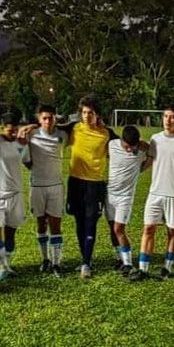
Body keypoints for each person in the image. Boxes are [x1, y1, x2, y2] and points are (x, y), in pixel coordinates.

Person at [132, 105, 174, 280]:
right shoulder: (155, 139)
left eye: (172, 116)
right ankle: (143, 269)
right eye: (166, 116)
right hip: (155, 192)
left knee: (172, 232)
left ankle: (167, 267)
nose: (168, 120)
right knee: (148, 228)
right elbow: (150, 160)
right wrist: (134, 170)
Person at [61, 95, 117, 279]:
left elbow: (126, 143)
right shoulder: (74, 128)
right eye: (84, 112)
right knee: (78, 220)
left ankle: (86, 263)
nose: (86, 116)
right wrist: (31, 126)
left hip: (95, 184)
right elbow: (52, 128)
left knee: (90, 221)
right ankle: (85, 259)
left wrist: (141, 145)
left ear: (97, 114)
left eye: (90, 113)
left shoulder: (107, 134)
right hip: (75, 182)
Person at [0, 112, 29, 282]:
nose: (13, 134)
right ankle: (2, 267)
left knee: (10, 234)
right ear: (2, 129)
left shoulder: (22, 144)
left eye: (15, 130)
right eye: (10, 131)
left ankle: (6, 266)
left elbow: (29, 164)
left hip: (15, 195)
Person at [25, 104, 68, 274]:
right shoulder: (31, 134)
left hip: (56, 186)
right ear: (38, 119)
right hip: (37, 186)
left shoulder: (62, 135)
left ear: (55, 118)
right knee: (41, 224)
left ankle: (57, 263)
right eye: (44, 118)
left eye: (51, 117)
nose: (48, 121)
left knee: (55, 225)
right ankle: (45, 259)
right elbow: (23, 156)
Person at [105, 125, 153, 275]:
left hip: (125, 197)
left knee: (119, 229)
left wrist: (140, 169)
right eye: (127, 146)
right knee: (112, 229)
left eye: (133, 147)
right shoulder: (111, 145)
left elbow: (153, 154)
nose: (129, 150)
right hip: (109, 194)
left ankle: (128, 263)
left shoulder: (142, 149)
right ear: (121, 140)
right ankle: (120, 258)